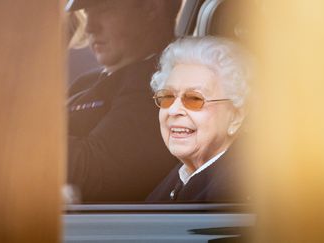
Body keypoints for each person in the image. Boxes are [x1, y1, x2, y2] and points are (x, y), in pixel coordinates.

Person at [65, 0, 181, 203]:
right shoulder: (86, 82)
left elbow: (94, 173)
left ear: (151, 7)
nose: (90, 27)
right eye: (87, 13)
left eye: (104, 10)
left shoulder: (161, 85)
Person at [146, 36, 252, 202]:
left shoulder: (237, 192)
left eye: (194, 99)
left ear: (236, 117)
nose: (173, 110)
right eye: (167, 96)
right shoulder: (182, 175)